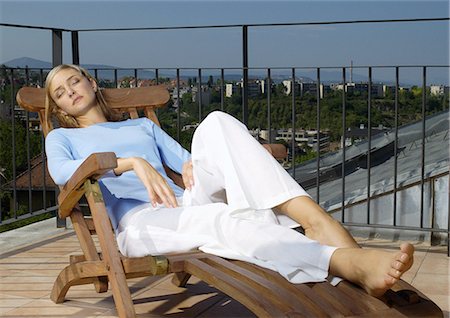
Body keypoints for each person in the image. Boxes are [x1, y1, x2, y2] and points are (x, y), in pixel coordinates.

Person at [44, 64, 414, 298]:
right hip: (139, 220)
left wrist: (235, 157)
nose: (70, 91)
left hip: (183, 202)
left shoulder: (140, 126)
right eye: (60, 93)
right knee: (223, 220)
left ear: (91, 83)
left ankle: (316, 221)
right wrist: (131, 163)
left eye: (74, 81)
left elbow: (188, 161)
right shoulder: (62, 139)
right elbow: (63, 174)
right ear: (60, 109)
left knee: (217, 122)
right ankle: (340, 258)